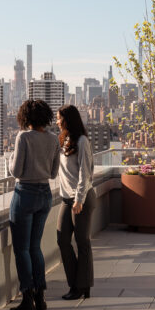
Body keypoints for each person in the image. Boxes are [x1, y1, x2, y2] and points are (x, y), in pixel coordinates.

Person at [8, 99, 60, 310]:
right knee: (35, 247)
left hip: (25, 194)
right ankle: (41, 296)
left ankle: (27, 297)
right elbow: (54, 173)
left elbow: (16, 171)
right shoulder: (53, 139)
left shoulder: (24, 137)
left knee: (22, 250)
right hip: (45, 195)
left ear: (24, 117)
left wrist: (11, 156)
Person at [56, 104, 96, 300]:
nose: (56, 122)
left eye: (58, 118)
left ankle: (83, 287)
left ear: (67, 120)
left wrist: (79, 199)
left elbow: (85, 173)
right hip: (66, 199)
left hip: (82, 198)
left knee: (82, 242)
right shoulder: (64, 141)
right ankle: (75, 284)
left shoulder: (82, 141)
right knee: (62, 240)